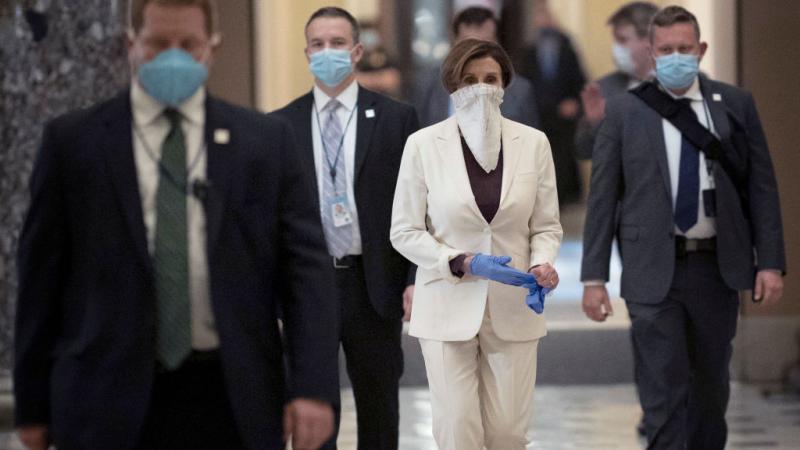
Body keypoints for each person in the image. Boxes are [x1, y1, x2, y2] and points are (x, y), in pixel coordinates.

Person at [13, 1, 338, 449]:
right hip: (103, 396)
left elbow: (306, 273)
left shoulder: (264, 144)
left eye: (188, 45)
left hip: (232, 395)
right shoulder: (74, 143)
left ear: (212, 49)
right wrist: (32, 405)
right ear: (131, 44)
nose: (173, 56)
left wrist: (314, 387)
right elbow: (39, 281)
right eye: (158, 44)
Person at [581, 6, 785, 449]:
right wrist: (593, 277)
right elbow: (602, 199)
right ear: (652, 54)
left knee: (710, 394)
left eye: (685, 49)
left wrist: (769, 263)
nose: (677, 57)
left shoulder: (734, 104)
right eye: (667, 50)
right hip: (652, 271)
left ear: (701, 50)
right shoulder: (623, 113)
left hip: (716, 269)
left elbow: (762, 188)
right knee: (662, 396)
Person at [391, 38, 563, 450]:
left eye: (490, 78)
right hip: (447, 303)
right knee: (457, 430)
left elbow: (546, 225)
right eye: (470, 80)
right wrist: (458, 260)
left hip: (514, 302)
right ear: (453, 84)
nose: (481, 88)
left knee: (508, 433)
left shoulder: (533, 143)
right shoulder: (423, 145)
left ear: (504, 84)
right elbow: (404, 230)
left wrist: (542, 262)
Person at [269, 7, 419, 450]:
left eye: (337, 43)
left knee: (379, 407)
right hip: (308, 285)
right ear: (306, 53)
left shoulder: (395, 120)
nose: (327, 52)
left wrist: (414, 280)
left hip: (372, 284)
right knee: (315, 410)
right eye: (318, 45)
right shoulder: (279, 126)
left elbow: (416, 206)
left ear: (356, 51)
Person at [575, 2, 658, 190]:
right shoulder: (603, 88)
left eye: (622, 40)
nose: (616, 49)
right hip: (619, 206)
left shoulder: (676, 87)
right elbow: (582, 150)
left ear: (649, 40)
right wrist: (594, 123)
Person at [413, 6, 540, 129]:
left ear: (498, 43)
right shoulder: (427, 86)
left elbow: (531, 144)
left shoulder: (520, 90)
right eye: (469, 45)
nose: (477, 54)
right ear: (454, 43)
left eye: (485, 44)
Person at [516, 0, 586, 205]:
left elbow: (578, 78)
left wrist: (574, 103)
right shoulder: (529, 46)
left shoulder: (565, 43)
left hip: (563, 115)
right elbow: (524, 82)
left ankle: (563, 199)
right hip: (537, 115)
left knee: (563, 161)